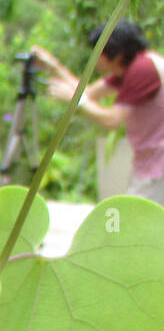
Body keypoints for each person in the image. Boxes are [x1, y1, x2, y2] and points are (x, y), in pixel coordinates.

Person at [32, 21, 164, 205]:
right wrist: (53, 67)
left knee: (136, 224)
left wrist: (76, 101)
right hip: (150, 164)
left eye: (98, 53)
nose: (95, 58)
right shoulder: (131, 67)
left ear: (116, 54)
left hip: (157, 169)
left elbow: (112, 120)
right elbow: (89, 92)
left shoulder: (142, 70)